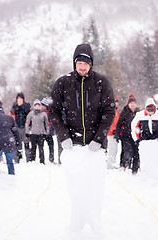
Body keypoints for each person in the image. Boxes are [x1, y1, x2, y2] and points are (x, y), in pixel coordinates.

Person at [49, 43, 115, 234]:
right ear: (74, 63)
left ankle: (96, 224)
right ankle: (76, 225)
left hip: (95, 148)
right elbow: (53, 111)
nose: (83, 66)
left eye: (86, 63)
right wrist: (63, 136)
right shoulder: (63, 83)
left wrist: (99, 138)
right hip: (72, 147)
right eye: (79, 62)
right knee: (76, 189)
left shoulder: (101, 83)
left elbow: (109, 111)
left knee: (95, 189)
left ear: (91, 63)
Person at [131, 97, 158, 179]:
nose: (151, 112)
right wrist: (136, 139)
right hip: (144, 140)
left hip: (156, 140)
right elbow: (134, 127)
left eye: (152, 110)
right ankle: (145, 176)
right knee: (145, 160)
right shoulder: (140, 115)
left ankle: (155, 177)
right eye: (149, 110)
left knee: (155, 159)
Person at [115, 94, 140, 174]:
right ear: (128, 104)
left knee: (136, 152)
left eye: (134, 103)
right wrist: (117, 134)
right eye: (131, 103)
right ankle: (125, 166)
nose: (132, 105)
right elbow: (119, 124)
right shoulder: (125, 112)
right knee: (127, 151)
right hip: (126, 135)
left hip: (136, 136)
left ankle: (135, 169)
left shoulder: (139, 112)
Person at [9, 92, 31, 163]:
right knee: (17, 143)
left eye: (21, 98)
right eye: (18, 98)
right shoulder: (14, 106)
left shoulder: (27, 105)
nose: (19, 100)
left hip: (25, 127)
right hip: (17, 127)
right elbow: (12, 113)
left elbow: (28, 112)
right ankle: (16, 159)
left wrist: (22, 106)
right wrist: (17, 106)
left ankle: (28, 159)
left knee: (26, 143)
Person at [25, 99, 49, 164]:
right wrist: (27, 131)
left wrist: (47, 132)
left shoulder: (44, 114)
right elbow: (27, 123)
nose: (37, 107)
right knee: (33, 148)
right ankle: (32, 161)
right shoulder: (31, 114)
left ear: (40, 106)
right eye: (36, 105)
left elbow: (47, 124)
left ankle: (42, 162)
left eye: (38, 105)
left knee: (41, 148)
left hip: (41, 134)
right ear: (34, 106)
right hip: (33, 134)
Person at [106, 98, 120, 169]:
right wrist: (113, 130)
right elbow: (109, 122)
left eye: (117, 102)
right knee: (112, 150)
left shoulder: (116, 111)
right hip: (111, 134)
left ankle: (112, 164)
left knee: (115, 150)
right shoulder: (111, 111)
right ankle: (110, 165)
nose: (116, 103)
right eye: (115, 102)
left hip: (114, 134)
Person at [41, 97, 55, 163]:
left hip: (48, 131)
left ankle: (51, 159)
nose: (42, 106)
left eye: (43, 105)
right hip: (42, 131)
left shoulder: (49, 112)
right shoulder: (40, 112)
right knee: (41, 146)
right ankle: (42, 159)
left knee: (51, 145)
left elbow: (51, 121)